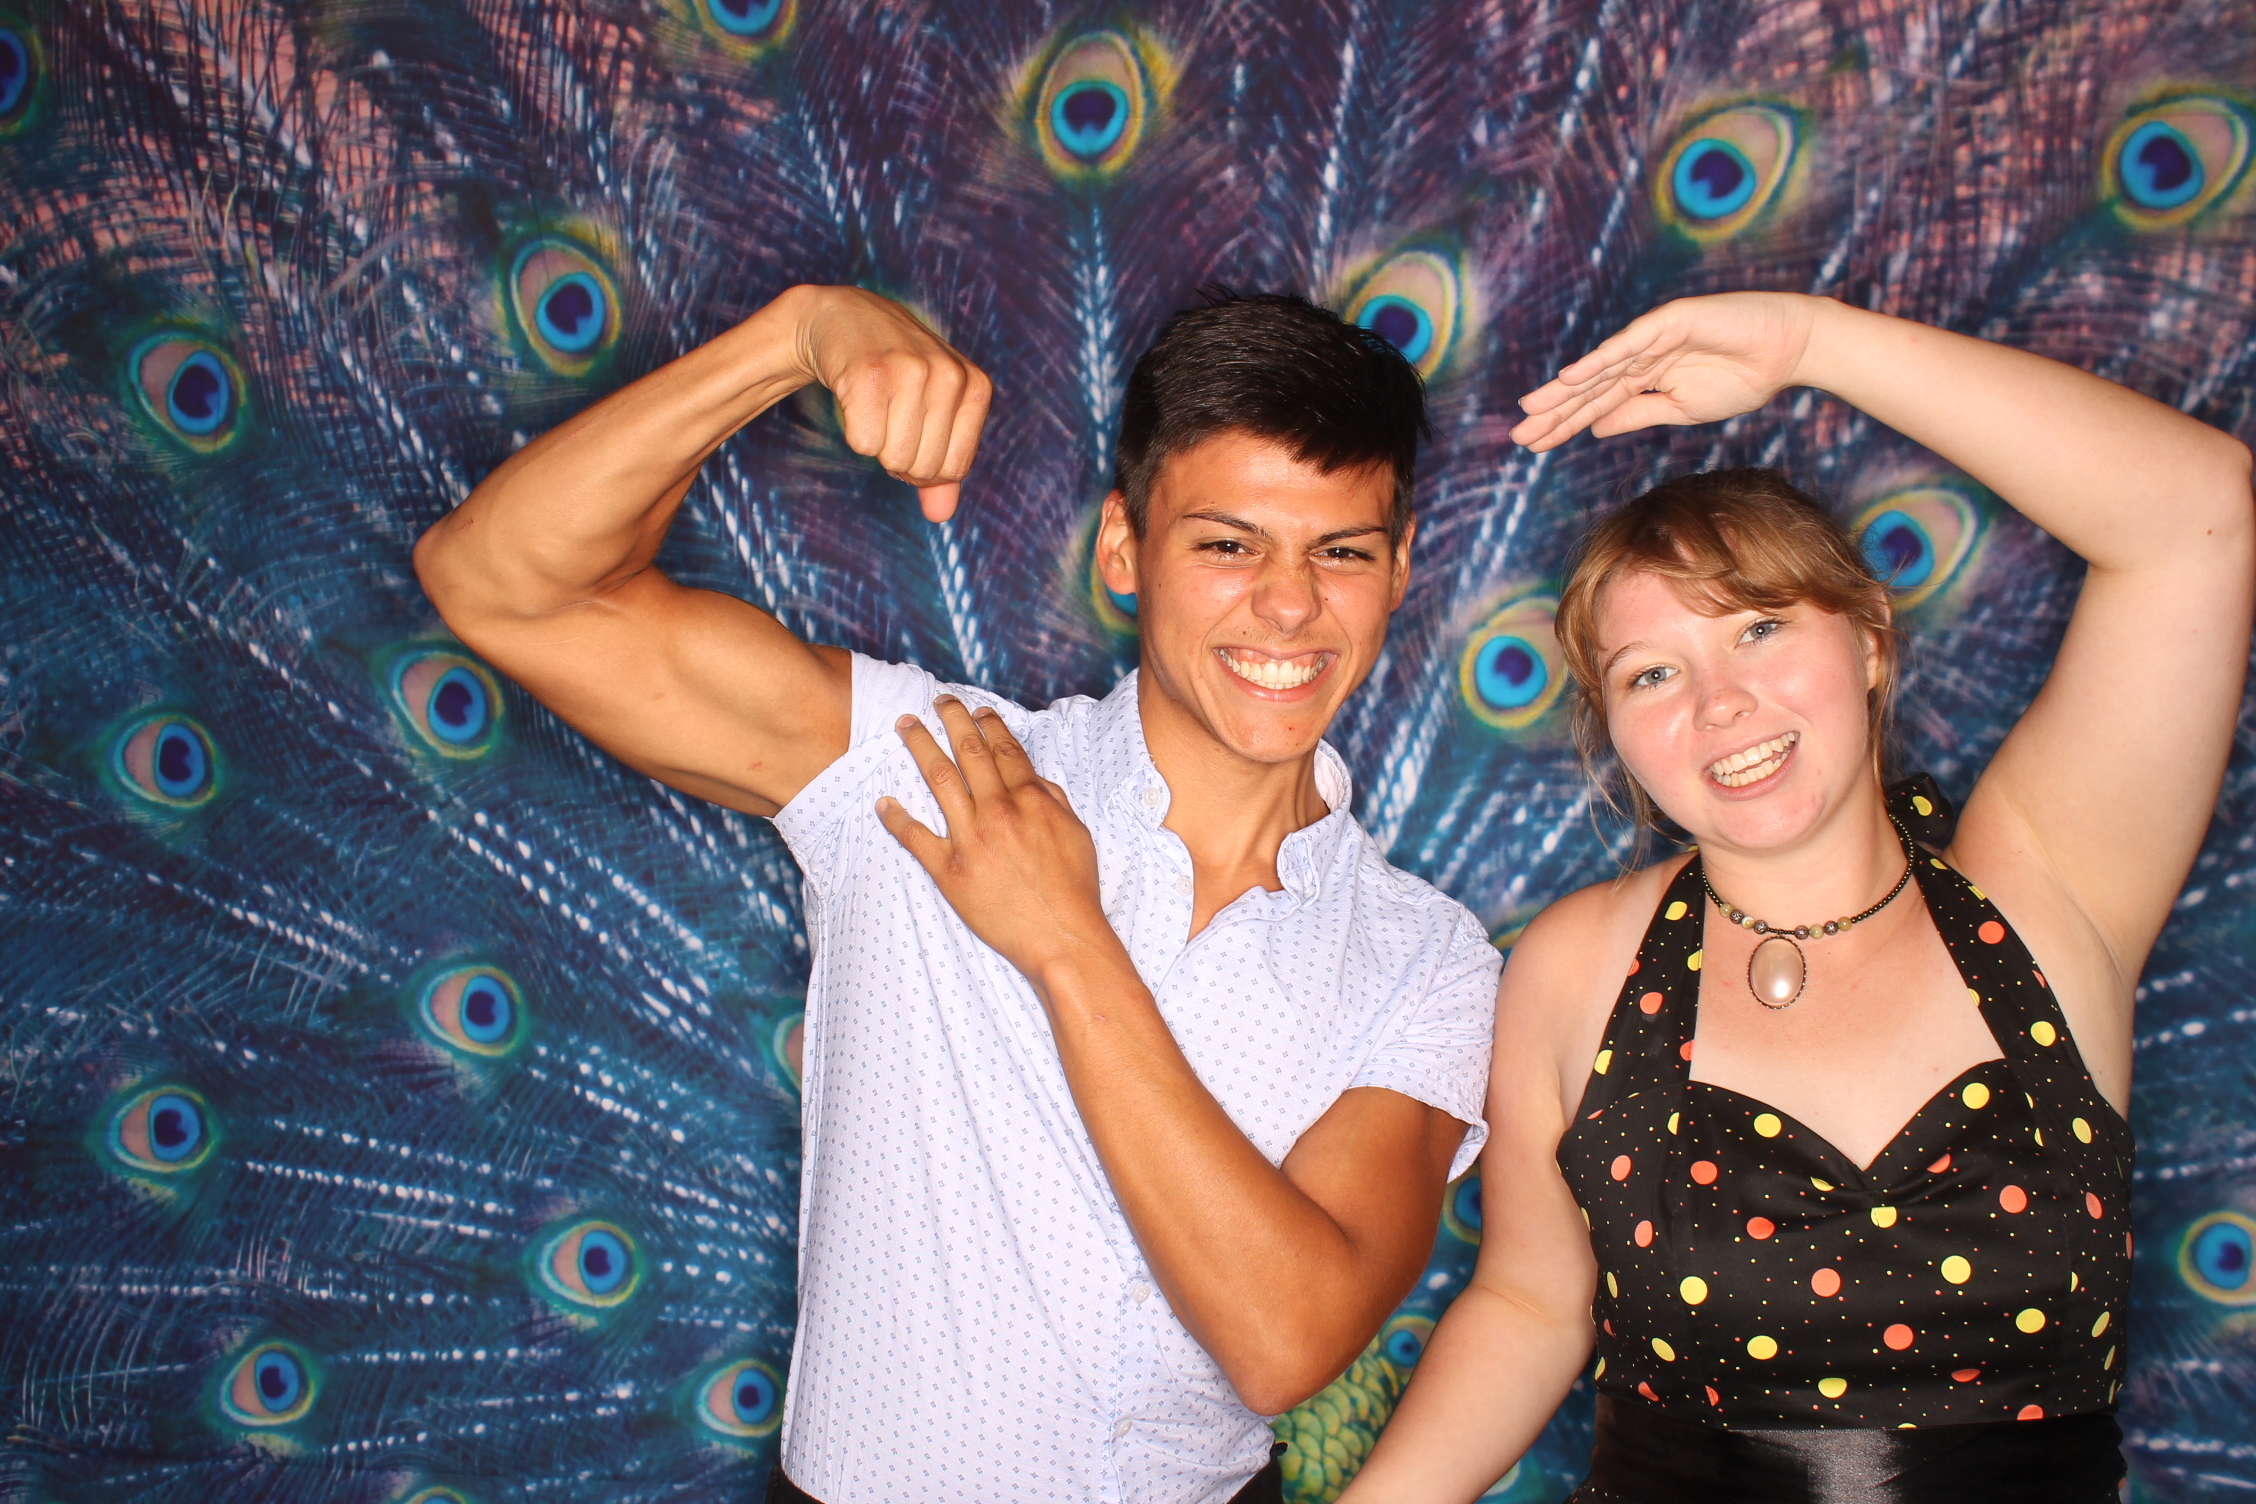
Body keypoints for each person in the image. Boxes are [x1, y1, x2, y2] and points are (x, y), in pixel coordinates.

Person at [412, 284, 1499, 1504]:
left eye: (1339, 551)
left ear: (1401, 568)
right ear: (1123, 551)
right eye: (1228, 543)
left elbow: (1286, 1338)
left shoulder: (1431, 955)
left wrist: (1067, 942)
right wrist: (796, 335)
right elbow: (502, 584)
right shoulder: (926, 767)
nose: (1289, 604)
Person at [1336, 291, 2254, 1503]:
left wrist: (1810, 346)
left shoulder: (2047, 897)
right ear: (1614, 731)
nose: (1718, 705)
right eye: (1653, 671)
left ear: (1871, 638)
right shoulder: (1580, 966)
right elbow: (1527, 1304)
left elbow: (2196, 512)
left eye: (1760, 628)